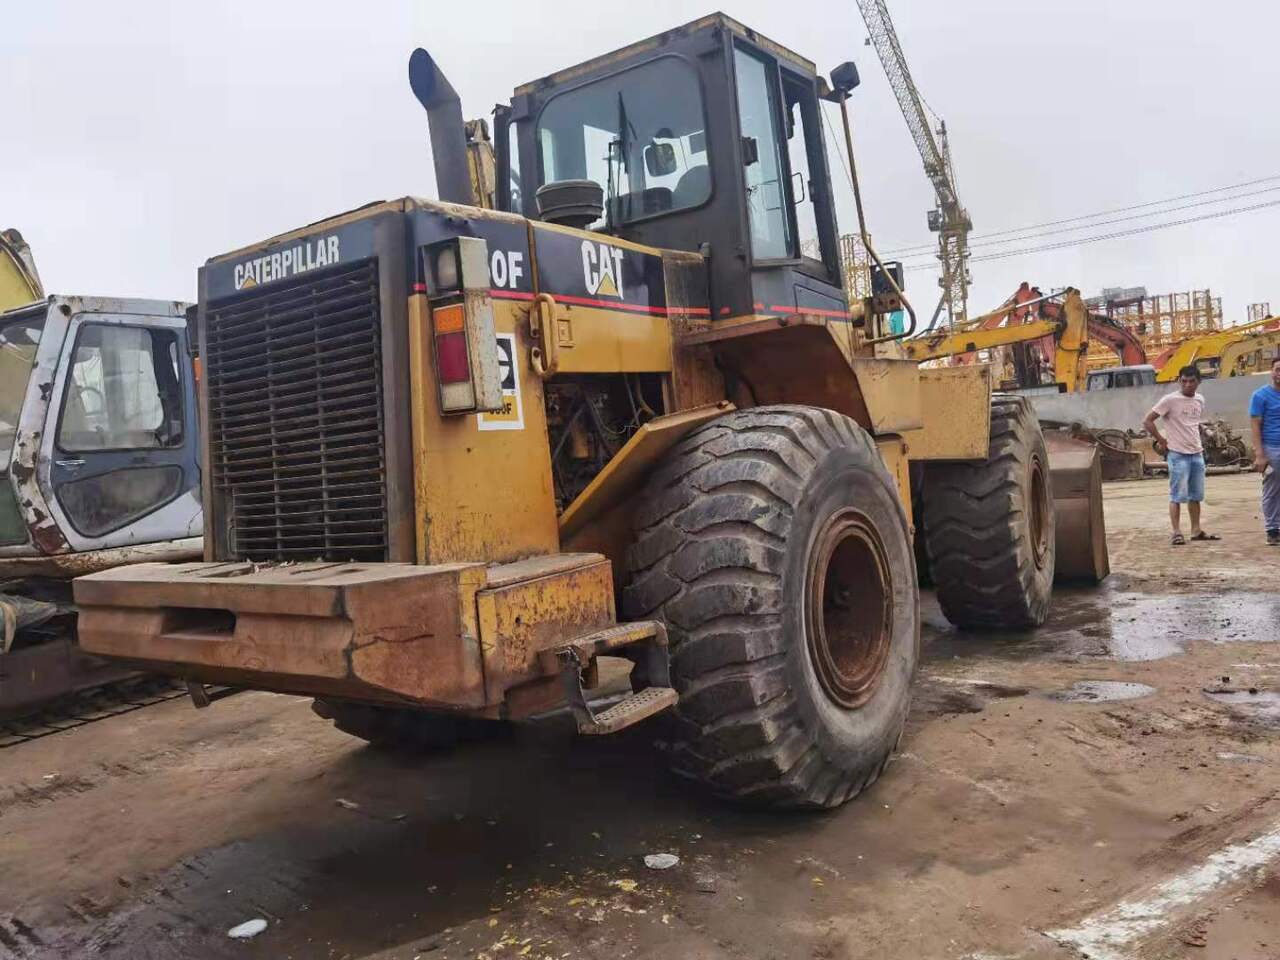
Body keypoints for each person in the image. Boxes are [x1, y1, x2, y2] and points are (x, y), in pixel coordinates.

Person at [1144, 365, 1218, 545]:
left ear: (1199, 382)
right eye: (1183, 381)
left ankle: (1196, 530)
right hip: (1178, 455)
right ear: (1179, 381)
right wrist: (1162, 441)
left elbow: (1193, 423)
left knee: (1196, 495)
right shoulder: (1169, 400)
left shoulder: (1199, 400)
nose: (1187, 385)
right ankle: (1176, 532)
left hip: (1196, 454)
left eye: (1192, 381)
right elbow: (1147, 421)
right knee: (1176, 495)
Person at [1248, 355, 1280, 545]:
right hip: (1272, 449)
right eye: (1278, 369)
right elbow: (1255, 425)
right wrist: (1260, 455)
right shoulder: (1260, 396)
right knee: (1272, 490)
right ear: (1272, 372)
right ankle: (1272, 530)